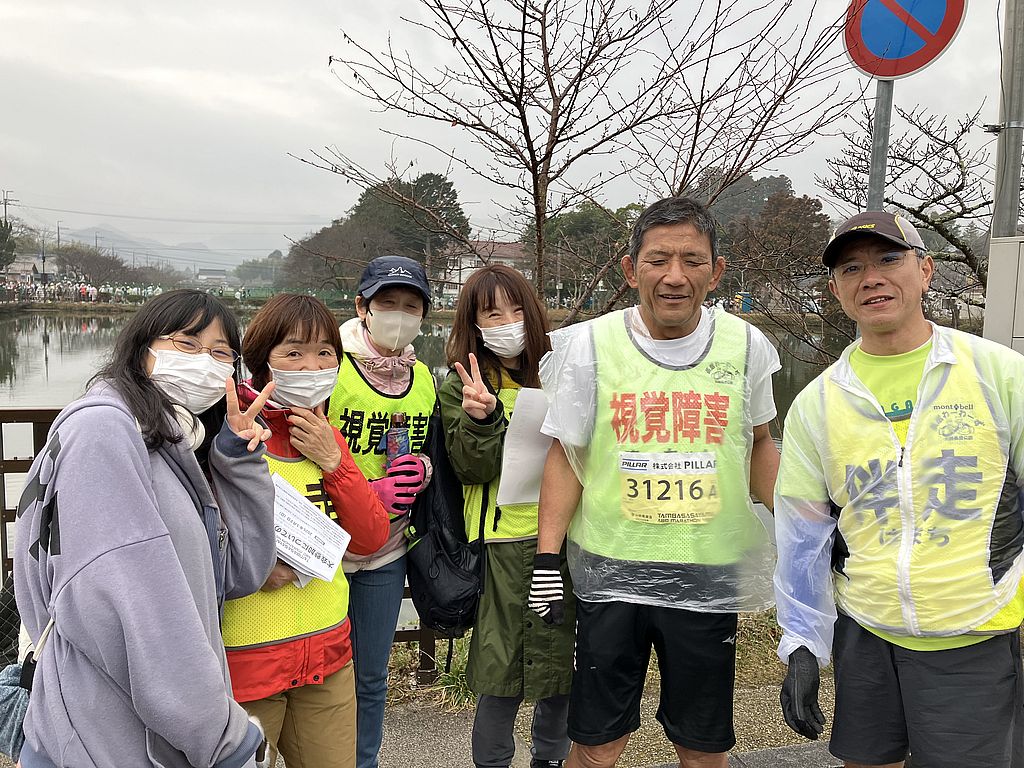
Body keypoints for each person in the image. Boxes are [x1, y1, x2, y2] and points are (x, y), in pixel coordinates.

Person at [533, 196, 781, 768]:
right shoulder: (589, 345)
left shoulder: (747, 347)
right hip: (611, 564)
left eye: (693, 261)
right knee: (597, 740)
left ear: (716, 272)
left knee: (702, 740)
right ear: (631, 269)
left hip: (707, 569)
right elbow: (566, 455)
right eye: (659, 260)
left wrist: (801, 529)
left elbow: (760, 444)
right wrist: (548, 557)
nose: (675, 276)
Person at [775, 211, 1024, 768]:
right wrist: (802, 645)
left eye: (890, 259)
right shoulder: (818, 403)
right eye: (851, 268)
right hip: (865, 630)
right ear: (836, 289)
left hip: (973, 631)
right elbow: (801, 537)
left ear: (926, 269)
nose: (872, 277)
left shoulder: (999, 375)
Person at [15, 289, 278, 768]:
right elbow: (134, 607)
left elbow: (238, 574)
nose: (204, 361)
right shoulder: (105, 430)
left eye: (221, 353)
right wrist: (221, 739)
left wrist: (238, 461)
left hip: (139, 730)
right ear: (143, 350)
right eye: (186, 343)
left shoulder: (174, 444)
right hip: (106, 737)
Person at [222, 294, 400, 768]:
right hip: (245, 665)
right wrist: (252, 567)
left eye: (325, 352)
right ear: (262, 362)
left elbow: (369, 538)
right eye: (294, 352)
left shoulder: (323, 432)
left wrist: (336, 463)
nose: (313, 365)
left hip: (326, 657)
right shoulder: (229, 434)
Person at [439, 265, 574, 768]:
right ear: (474, 322)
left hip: (563, 541)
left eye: (518, 310)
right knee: (501, 671)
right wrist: (482, 418)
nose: (508, 322)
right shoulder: (463, 384)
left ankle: (550, 760)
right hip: (500, 546)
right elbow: (469, 468)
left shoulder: (560, 372)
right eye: (493, 312)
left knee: (560, 667)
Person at [326, 255, 435, 768]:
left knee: (371, 676)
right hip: (322, 552)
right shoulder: (331, 368)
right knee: (320, 680)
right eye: (386, 303)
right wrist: (367, 489)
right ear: (361, 306)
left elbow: (429, 446)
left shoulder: (424, 378)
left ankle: (362, 762)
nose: (397, 314)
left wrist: (423, 472)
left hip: (385, 554)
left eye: (410, 306)